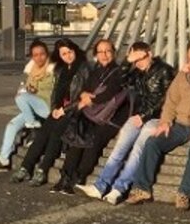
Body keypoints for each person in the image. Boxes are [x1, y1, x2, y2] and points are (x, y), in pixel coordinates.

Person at [126, 41, 190, 211]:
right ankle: (142, 189)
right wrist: (165, 121)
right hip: (181, 124)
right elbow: (171, 101)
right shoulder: (182, 76)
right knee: (153, 142)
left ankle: (184, 193)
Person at [75, 41, 175, 204]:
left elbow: (166, 99)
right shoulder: (137, 72)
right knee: (119, 150)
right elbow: (120, 81)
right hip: (137, 116)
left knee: (138, 150)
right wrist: (127, 62)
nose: (138, 63)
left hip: (157, 118)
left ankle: (119, 189)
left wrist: (143, 116)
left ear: (149, 54)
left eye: (141, 58)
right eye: (135, 60)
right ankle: (100, 187)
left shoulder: (164, 70)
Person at [52, 39, 130, 194]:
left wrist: (90, 98)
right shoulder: (96, 71)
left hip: (109, 118)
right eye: (100, 52)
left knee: (92, 142)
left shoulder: (118, 72)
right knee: (77, 137)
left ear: (114, 53)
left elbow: (109, 93)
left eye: (108, 51)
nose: (104, 55)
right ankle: (65, 177)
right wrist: (86, 95)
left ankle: (78, 177)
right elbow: (84, 90)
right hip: (92, 113)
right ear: (96, 55)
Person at [10, 38, 89, 186]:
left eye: (70, 52)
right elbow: (55, 93)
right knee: (43, 133)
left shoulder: (84, 69)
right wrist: (54, 109)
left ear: (75, 50)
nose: (68, 56)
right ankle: (26, 167)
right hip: (59, 110)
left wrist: (64, 110)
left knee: (55, 134)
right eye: (64, 54)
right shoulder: (61, 70)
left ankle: (42, 170)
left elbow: (83, 97)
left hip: (75, 112)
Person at [0, 39, 55, 173]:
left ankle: (33, 127)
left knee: (21, 97)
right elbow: (26, 87)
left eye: (42, 54)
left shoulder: (53, 69)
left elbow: (54, 91)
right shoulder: (32, 70)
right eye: (35, 55)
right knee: (12, 125)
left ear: (47, 54)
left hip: (47, 106)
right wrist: (28, 89)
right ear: (32, 57)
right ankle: (3, 160)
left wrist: (31, 92)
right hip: (33, 107)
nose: (39, 58)